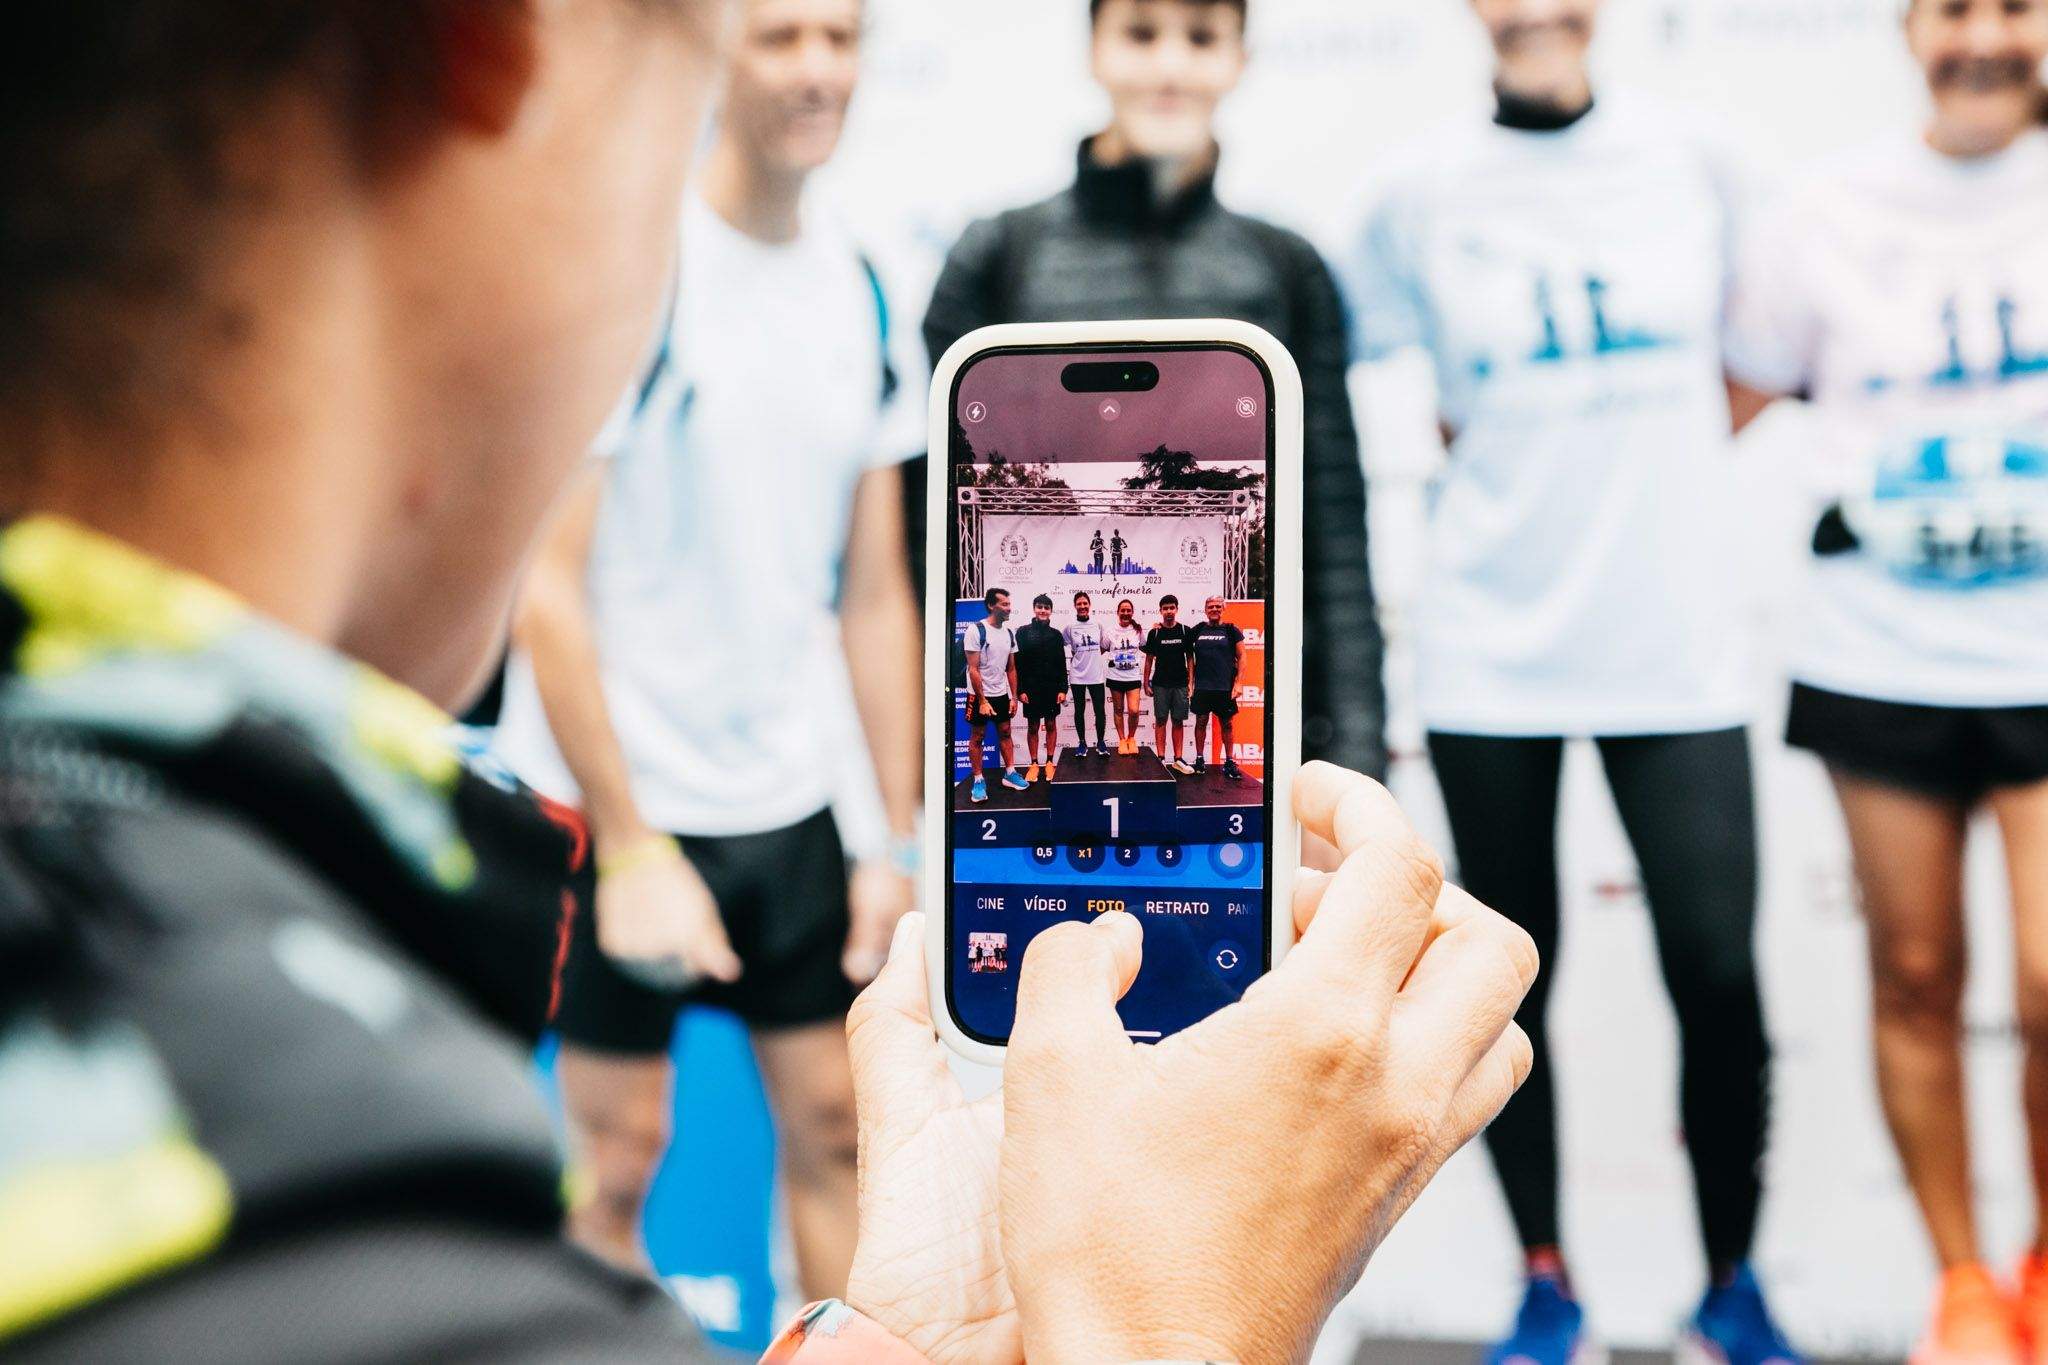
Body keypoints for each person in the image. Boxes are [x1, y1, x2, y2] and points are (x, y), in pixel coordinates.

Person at [0, 3, 1547, 1361]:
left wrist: (915, 1345)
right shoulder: (360, 1237)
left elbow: (881, 594)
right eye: (714, 52)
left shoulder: (284, 1115)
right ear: (501, 52)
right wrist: (1179, 1337)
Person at [1343, 2, 1797, 1361]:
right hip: (1493, 649)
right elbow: (1379, 383)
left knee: (1718, 973)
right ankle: (1545, 1280)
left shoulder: (1703, 162)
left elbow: (1758, 369)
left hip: (1676, 644)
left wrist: (1636, 478)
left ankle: (1730, 1283)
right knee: (1505, 979)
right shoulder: (1411, 193)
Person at [494, 0, 922, 1300]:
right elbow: (545, 590)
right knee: (615, 1163)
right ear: (717, 55)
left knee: (844, 1141)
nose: (817, 72)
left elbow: (875, 598)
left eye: (840, 40)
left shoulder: (866, 279)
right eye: (782, 38)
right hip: (625, 807)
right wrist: (629, 848)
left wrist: (890, 842)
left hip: (790, 803)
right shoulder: (637, 266)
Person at [1726, 2, 2048, 1358]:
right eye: (1954, 9)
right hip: (1880, 659)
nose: (1984, 37)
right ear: (1913, 29)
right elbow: (1739, 396)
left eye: (2014, 7)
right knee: (1915, 972)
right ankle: (1965, 1286)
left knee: (2047, 979)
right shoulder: (1824, 210)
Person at [918, 0, 1389, 785]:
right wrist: (936, 769)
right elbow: (935, 542)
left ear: (1240, 56)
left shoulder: (1287, 267)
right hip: (1040, 707)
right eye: (1141, 33)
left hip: (1244, 715)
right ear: (1096, 49)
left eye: (1201, 37)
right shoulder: (996, 257)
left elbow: (1334, 533)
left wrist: (1358, 767)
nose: (1170, 65)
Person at [964, 588, 1029, 803]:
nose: (1009, 608)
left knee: (1005, 732)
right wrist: (982, 700)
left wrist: (1013, 697)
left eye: (1009, 604)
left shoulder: (1009, 634)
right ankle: (978, 780)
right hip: (978, 694)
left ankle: (1010, 773)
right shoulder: (976, 630)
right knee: (978, 737)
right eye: (1004, 604)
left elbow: (1011, 669)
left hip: (1001, 693)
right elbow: (973, 669)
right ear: (992, 605)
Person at [1189, 595, 1246, 782]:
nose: (1214, 609)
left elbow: (1242, 656)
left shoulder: (1231, 631)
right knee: (1201, 722)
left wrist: (1238, 683)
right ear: (1205, 610)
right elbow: (1179, 638)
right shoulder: (1198, 630)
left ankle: (1229, 761)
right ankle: (1199, 760)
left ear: (1223, 609)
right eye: (1210, 606)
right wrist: (1159, 628)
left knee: (1227, 725)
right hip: (1203, 687)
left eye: (1217, 606)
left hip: (1224, 687)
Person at [1014, 593, 1069, 782]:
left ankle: (1050, 762)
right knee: (1033, 726)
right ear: (1034, 609)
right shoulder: (1022, 632)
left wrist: (1063, 688)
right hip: (1030, 689)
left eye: (1046, 607)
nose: (1043, 610)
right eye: (1039, 607)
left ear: (1051, 611)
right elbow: (1017, 664)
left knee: (1051, 724)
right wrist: (1019, 690)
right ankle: (1034, 764)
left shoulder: (1056, 635)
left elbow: (1062, 664)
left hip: (1052, 688)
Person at [1144, 593, 1197, 773]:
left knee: (1178, 721)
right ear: (1160, 611)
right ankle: (1160, 758)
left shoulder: (1185, 631)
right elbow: (1149, 659)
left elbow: (1190, 658)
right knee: (1160, 720)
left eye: (1171, 608)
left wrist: (1191, 682)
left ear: (1176, 609)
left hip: (1180, 684)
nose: (1168, 611)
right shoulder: (1155, 632)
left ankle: (1178, 759)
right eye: (1165, 608)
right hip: (1160, 684)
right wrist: (1146, 683)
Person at [1064, 590, 1111, 758]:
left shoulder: (1097, 625)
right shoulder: (1070, 627)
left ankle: (1100, 742)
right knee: (1079, 710)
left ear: (1089, 605)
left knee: (1100, 710)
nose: (1082, 606)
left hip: (1096, 674)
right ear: (1075, 606)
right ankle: (1082, 743)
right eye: (1079, 604)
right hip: (1077, 674)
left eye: (1085, 603)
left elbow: (1105, 645)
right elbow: (1064, 644)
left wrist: (1095, 656)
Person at [1104, 597, 1148, 754]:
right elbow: (1101, 649)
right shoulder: (1110, 631)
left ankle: (1131, 738)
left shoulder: (1138, 630)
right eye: (1123, 610)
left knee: (1134, 710)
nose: (1125, 613)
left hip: (1132, 677)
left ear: (1132, 612)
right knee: (1118, 709)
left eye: (1128, 610)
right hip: (1115, 676)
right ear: (1117, 612)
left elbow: (1147, 649)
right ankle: (1122, 740)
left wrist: (1157, 631)